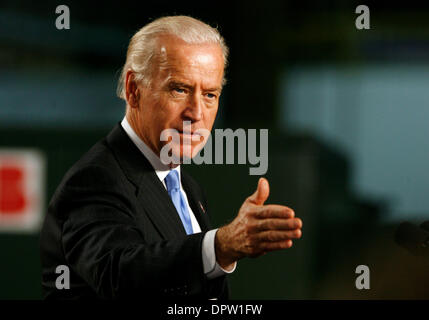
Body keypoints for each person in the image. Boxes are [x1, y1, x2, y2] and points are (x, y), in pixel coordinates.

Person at [39, 15, 303, 300]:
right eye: (180, 89)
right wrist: (220, 246)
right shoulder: (95, 179)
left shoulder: (188, 189)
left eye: (210, 95)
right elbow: (119, 274)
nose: (196, 113)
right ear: (134, 89)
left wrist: (219, 254)